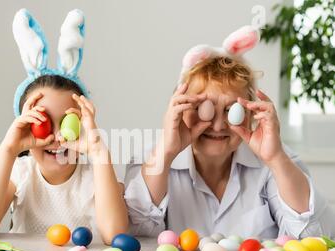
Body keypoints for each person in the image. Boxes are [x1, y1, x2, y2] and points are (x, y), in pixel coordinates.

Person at [124, 26, 335, 239]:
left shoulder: (276, 161)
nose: (217, 125)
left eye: (231, 110)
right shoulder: (152, 159)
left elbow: (316, 236)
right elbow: (137, 233)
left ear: (251, 113)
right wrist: (166, 152)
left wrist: (276, 158)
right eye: (203, 109)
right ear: (181, 110)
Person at [0, 9, 127, 244]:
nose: (55, 137)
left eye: (67, 123)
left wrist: (98, 151)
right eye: (42, 122)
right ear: (24, 127)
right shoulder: (23, 173)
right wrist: (8, 149)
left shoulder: (94, 178)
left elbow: (115, 236)